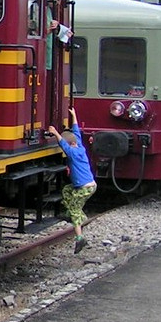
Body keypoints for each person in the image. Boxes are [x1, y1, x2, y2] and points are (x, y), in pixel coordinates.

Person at [46, 107, 96, 253]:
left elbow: (63, 144)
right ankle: (74, 216)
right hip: (86, 186)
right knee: (67, 190)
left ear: (71, 145)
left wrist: (55, 133)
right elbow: (76, 131)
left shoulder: (73, 152)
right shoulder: (79, 146)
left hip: (85, 188)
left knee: (75, 210)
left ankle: (80, 238)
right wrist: (74, 115)